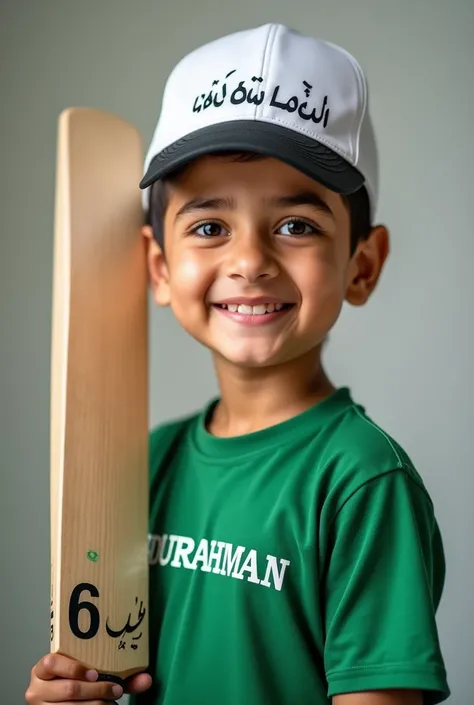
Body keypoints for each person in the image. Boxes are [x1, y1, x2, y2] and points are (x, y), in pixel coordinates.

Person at [26, 23, 450, 705]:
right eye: (209, 226)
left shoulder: (363, 482)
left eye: (296, 225)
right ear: (159, 267)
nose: (250, 260)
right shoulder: (143, 468)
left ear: (362, 265)